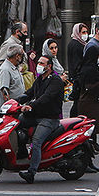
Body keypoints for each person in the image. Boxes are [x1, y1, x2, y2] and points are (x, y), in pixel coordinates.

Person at [17, 53, 77, 183]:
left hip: (49, 119)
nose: (38, 65)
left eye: (41, 63)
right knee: (17, 122)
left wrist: (30, 105)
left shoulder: (55, 81)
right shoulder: (40, 79)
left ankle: (31, 172)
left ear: (49, 66)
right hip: (36, 116)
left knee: (37, 141)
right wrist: (15, 101)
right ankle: (21, 153)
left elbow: (46, 98)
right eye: (38, 63)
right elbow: (30, 93)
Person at [75, 21, 99, 153]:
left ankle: (93, 144)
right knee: (91, 119)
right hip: (91, 94)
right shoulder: (92, 46)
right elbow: (89, 83)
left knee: (96, 118)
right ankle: (90, 146)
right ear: (97, 30)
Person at [65, 23, 89, 115]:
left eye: (86, 32)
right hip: (78, 79)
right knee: (78, 103)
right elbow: (76, 64)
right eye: (83, 32)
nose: (85, 34)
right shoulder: (76, 45)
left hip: (77, 78)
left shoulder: (78, 43)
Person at [0, 45, 27, 111]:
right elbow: (5, 92)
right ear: (17, 56)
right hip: (10, 111)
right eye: (22, 55)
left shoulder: (15, 67)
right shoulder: (5, 70)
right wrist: (11, 107)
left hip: (18, 109)